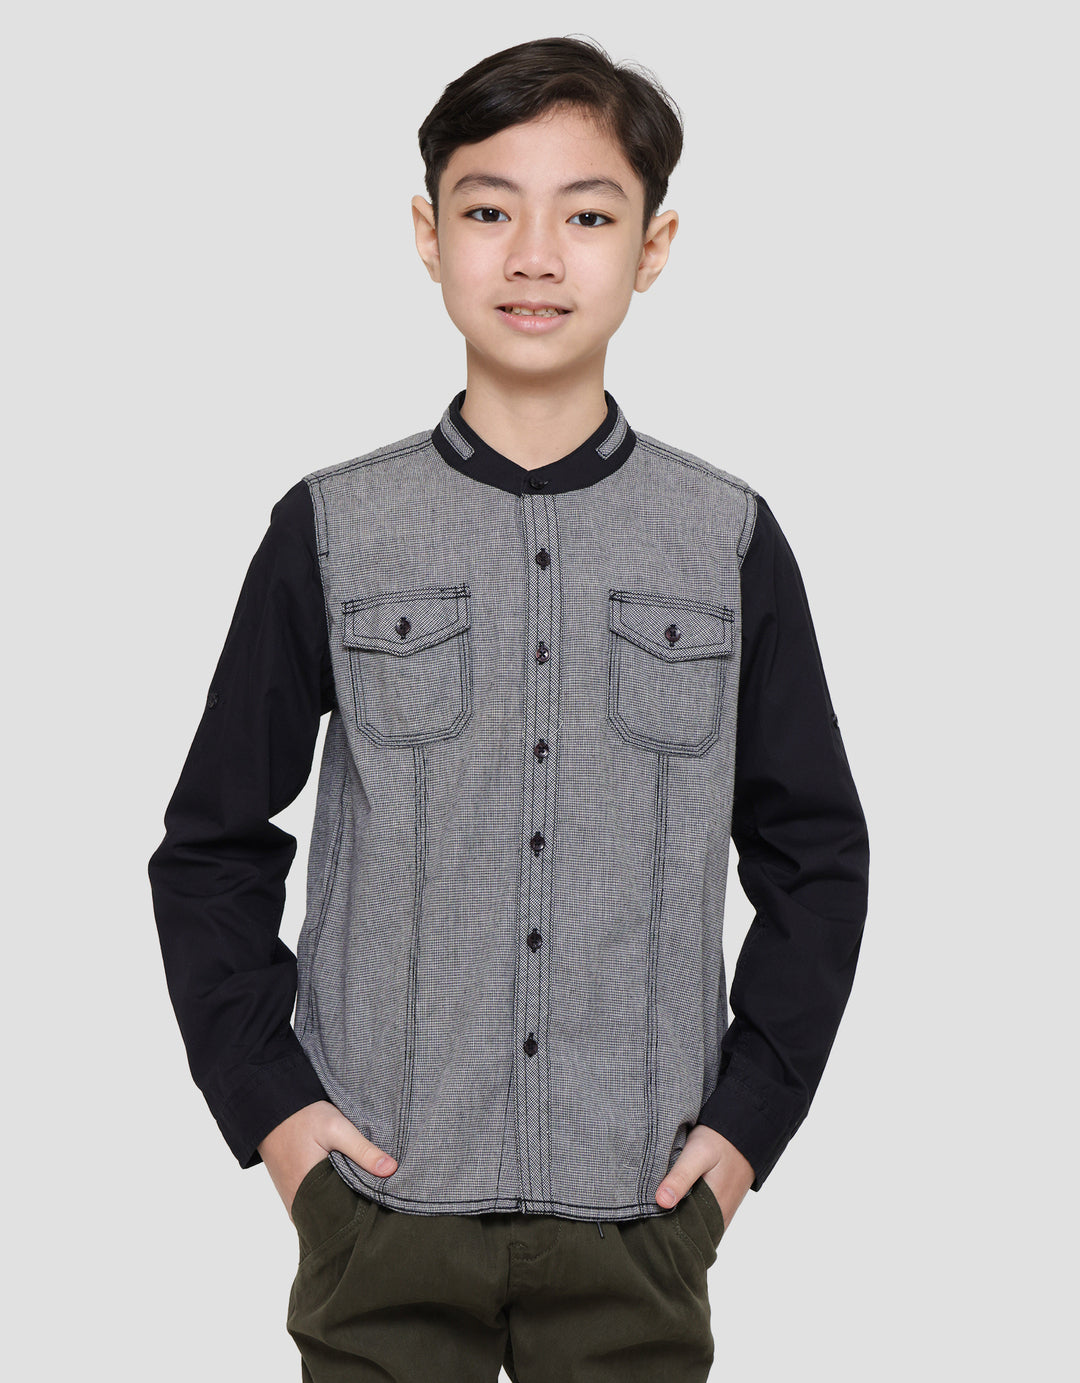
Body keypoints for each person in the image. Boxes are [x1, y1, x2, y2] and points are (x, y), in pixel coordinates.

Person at [148, 34, 870, 1383]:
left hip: (639, 1214)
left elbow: (817, 856)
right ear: (429, 237)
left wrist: (744, 1132)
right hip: (381, 1207)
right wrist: (279, 1118)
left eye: (586, 216)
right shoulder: (331, 530)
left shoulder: (724, 539)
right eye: (490, 211)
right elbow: (211, 848)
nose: (535, 257)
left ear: (652, 247)